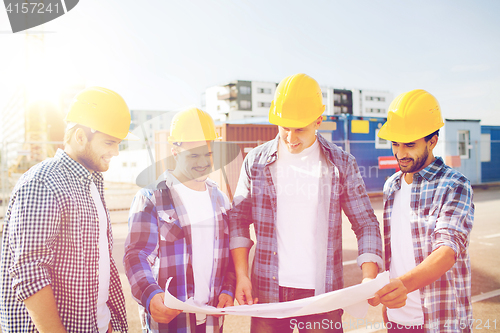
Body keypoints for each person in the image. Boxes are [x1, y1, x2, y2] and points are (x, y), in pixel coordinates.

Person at [229, 73, 383, 333]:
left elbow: (366, 223)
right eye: (284, 127)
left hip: (322, 296)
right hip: (267, 293)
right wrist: (242, 275)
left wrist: (369, 276)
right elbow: (237, 222)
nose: (290, 137)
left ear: (318, 121)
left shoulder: (341, 164)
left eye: (299, 128)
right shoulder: (254, 162)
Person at [0, 87, 135, 332]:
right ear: (80, 137)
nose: (115, 152)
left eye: (118, 144)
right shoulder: (43, 183)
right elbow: (30, 271)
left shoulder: (91, 181)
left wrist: (106, 322)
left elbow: (97, 261)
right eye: (109, 142)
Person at [370, 89, 474, 333]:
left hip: (439, 321)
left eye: (409, 144)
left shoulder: (454, 185)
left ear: (433, 141)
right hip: (397, 319)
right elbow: (395, 251)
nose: (400, 153)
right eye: (395, 143)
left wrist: (402, 285)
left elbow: (448, 250)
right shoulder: (392, 185)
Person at [124, 108, 235, 333]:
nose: (203, 162)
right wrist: (150, 294)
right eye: (194, 155)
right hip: (170, 324)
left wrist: (228, 289)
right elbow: (136, 255)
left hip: (212, 322)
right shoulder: (152, 197)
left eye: (209, 154)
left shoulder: (221, 201)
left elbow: (229, 257)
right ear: (175, 151)